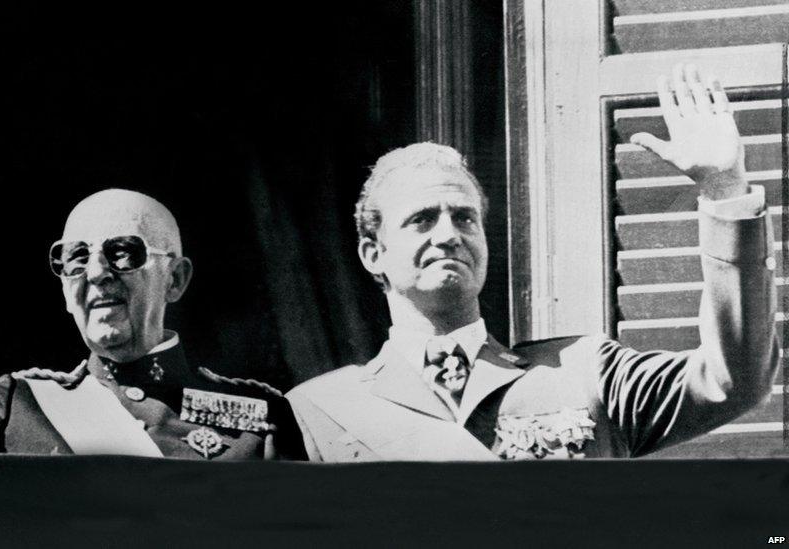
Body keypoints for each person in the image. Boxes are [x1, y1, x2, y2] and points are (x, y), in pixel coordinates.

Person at [286, 64, 779, 461]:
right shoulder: (319, 412)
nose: (448, 235)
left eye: (464, 218)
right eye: (421, 219)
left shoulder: (586, 375)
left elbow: (730, 380)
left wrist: (724, 191)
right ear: (374, 254)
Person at [0, 181, 305, 460]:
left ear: (175, 279)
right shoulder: (22, 405)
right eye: (74, 257)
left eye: (122, 253)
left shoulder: (261, 413)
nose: (95, 272)